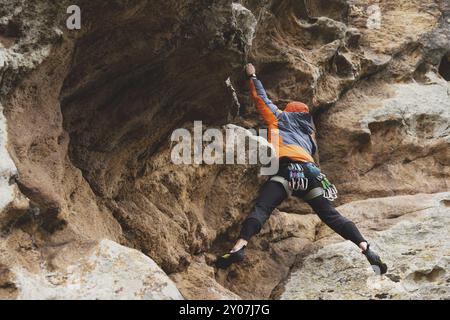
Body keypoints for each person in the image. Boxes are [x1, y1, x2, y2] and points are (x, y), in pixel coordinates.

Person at [215, 63, 388, 275]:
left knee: (262, 208)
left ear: (288, 110)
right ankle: (365, 246)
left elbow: (261, 99)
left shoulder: (280, 118)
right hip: (312, 175)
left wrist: (252, 76)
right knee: (331, 216)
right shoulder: (309, 135)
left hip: (289, 171)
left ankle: (240, 246)